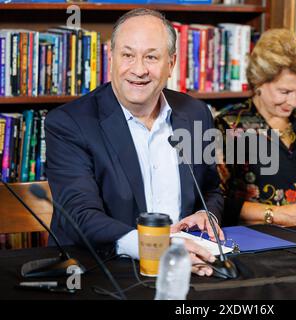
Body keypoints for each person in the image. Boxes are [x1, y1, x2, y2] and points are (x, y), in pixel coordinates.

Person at [45, 9, 224, 276]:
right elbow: (79, 216)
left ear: (171, 63)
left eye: (151, 57)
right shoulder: (70, 123)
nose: (138, 70)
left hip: (188, 264)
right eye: (127, 55)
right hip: (103, 270)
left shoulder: (196, 113)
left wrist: (206, 215)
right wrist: (155, 246)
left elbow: (212, 189)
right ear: (111, 58)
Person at [215, 29, 296, 227]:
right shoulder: (228, 125)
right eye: (284, 91)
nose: (293, 102)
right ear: (259, 81)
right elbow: (217, 200)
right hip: (252, 244)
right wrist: (278, 215)